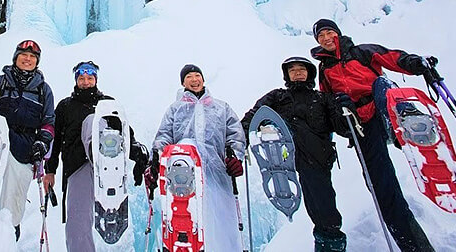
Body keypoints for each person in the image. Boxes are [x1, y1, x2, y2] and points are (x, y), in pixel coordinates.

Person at [310, 18, 436, 252]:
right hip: (360, 125)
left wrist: (415, 63)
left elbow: (392, 58)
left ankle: (403, 124)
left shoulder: (362, 52)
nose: (326, 38)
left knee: (381, 84)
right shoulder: (325, 69)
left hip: (381, 108)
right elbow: (326, 100)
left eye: (329, 33)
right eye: (321, 36)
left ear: (338, 33)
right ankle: (414, 247)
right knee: (381, 187)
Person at [241, 56, 353, 252]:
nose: (297, 73)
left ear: (309, 73)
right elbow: (254, 116)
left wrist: (346, 108)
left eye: (302, 69)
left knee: (324, 210)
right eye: (292, 70)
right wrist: (242, 137)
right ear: (287, 75)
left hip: (316, 159)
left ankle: (331, 245)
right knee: (320, 207)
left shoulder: (323, 99)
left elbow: (343, 128)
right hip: (284, 159)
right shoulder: (277, 96)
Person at [42, 61, 149, 252]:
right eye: (81, 78)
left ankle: (101, 156)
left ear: (95, 80)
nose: (85, 82)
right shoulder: (65, 106)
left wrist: (136, 154)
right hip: (78, 166)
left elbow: (125, 132)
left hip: (109, 166)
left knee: (95, 121)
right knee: (78, 222)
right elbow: (55, 141)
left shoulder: (107, 104)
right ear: (76, 80)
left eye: (89, 78)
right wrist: (50, 171)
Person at [145, 64, 246, 251]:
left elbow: (235, 135)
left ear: (203, 79)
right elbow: (164, 136)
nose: (194, 79)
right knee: (188, 220)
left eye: (197, 75)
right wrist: (156, 159)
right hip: (184, 179)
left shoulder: (221, 108)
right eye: (189, 77)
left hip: (217, 175)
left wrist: (235, 156)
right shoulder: (175, 109)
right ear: (183, 83)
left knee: (220, 223)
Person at [0, 39, 55, 241]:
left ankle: (8, 232)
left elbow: (48, 121)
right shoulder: (0, 82)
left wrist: (42, 142)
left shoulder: (44, 90)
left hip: (25, 146)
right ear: (16, 57)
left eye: (32, 57)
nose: (27, 59)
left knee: (14, 195)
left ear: (37, 62)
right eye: (23, 55)